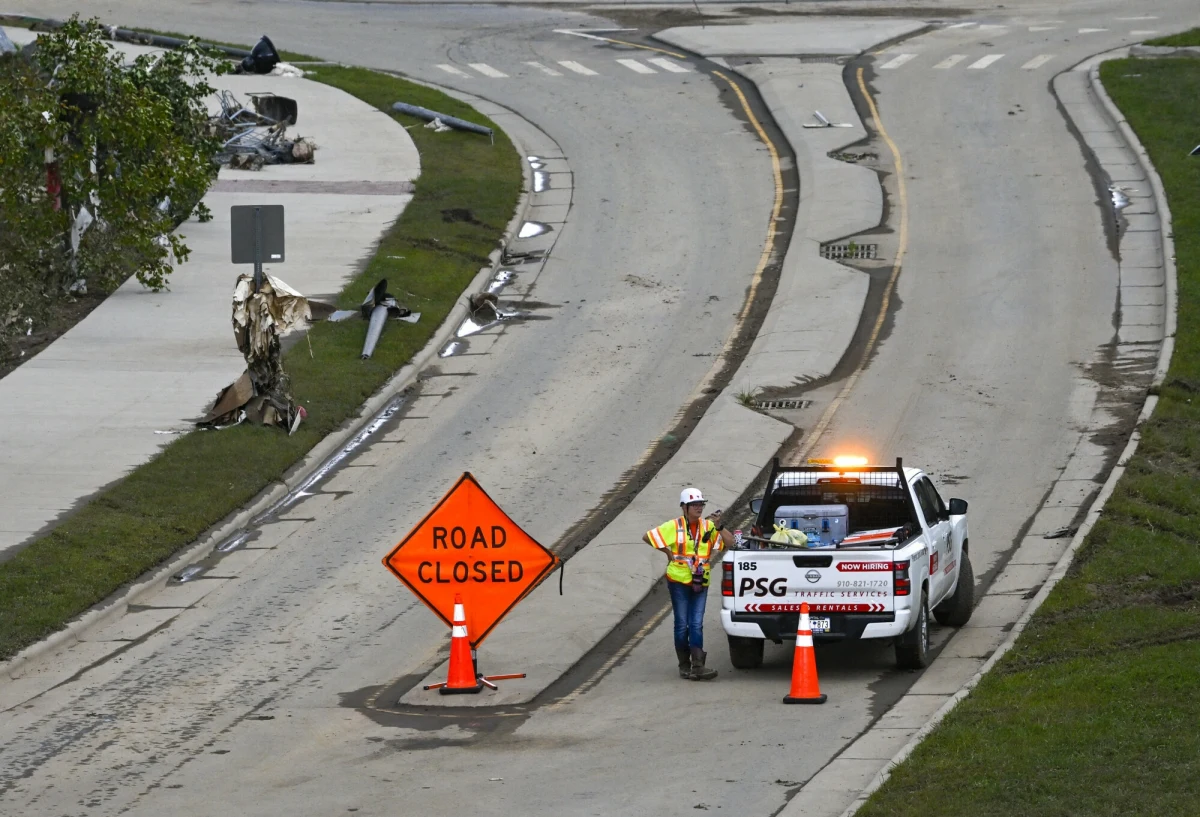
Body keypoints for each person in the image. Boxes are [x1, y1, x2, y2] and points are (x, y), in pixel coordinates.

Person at [643, 487, 735, 680]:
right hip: (678, 580)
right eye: (694, 505)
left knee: (696, 623)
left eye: (701, 504)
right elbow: (648, 537)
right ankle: (684, 665)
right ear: (684, 507)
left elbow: (731, 542)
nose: (698, 508)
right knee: (682, 624)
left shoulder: (708, 526)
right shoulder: (674, 526)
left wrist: (719, 526)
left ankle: (698, 666)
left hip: (700, 581)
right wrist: (669, 553)